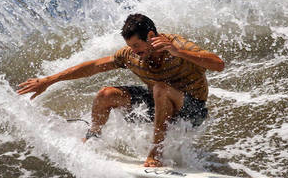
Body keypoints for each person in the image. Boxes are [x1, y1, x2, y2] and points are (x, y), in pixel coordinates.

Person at [17, 13, 225, 167]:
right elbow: (94, 66)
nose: (134, 51)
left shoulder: (177, 45)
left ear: (151, 35)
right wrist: (49, 80)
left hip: (192, 110)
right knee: (106, 94)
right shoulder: (131, 55)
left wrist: (179, 52)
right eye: (131, 46)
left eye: (137, 45)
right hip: (159, 104)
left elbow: (218, 64)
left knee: (161, 88)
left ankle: (156, 153)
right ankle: (92, 137)